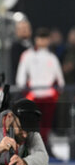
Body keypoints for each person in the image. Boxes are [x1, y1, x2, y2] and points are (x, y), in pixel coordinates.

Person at [16, 27, 65, 155]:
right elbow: (20, 78)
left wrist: (55, 93)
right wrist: (26, 92)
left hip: (48, 96)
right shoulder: (27, 55)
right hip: (34, 96)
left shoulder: (52, 57)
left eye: (45, 38)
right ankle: (32, 150)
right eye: (40, 38)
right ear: (36, 39)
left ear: (48, 40)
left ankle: (43, 150)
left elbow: (60, 79)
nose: (42, 41)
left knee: (46, 126)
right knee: (32, 126)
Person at [9, 19, 32, 85]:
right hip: (19, 85)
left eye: (25, 28)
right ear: (16, 31)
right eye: (21, 29)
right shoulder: (14, 47)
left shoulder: (34, 46)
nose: (23, 30)